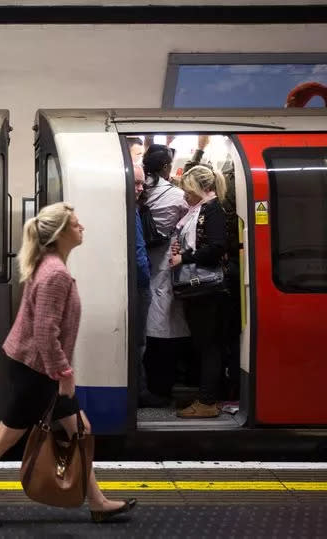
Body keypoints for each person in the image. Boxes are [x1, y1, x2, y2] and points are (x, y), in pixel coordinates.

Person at [0, 203, 136, 529]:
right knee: (5, 437)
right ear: (61, 234)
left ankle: (97, 501)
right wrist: (63, 374)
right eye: (77, 225)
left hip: (39, 368)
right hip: (36, 372)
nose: (83, 229)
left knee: (80, 429)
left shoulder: (50, 265)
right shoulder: (56, 274)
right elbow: (43, 333)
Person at [170, 165, 228, 418]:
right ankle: (207, 397)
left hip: (207, 288)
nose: (186, 196)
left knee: (208, 345)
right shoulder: (200, 209)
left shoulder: (212, 210)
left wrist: (185, 257)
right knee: (205, 343)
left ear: (203, 189)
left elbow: (217, 247)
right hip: (201, 288)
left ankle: (207, 401)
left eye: (189, 191)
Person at [141, 144, 190, 408]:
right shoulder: (176, 195)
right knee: (166, 327)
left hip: (143, 263)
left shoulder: (139, 192)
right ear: (165, 168)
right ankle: (162, 390)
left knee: (148, 329)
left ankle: (148, 385)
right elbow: (188, 217)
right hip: (165, 264)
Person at [133, 164, 158, 408]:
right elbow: (139, 252)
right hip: (137, 286)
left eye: (142, 184)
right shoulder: (132, 211)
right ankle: (139, 392)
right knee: (139, 342)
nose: (140, 189)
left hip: (137, 284)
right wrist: (145, 279)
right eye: (136, 183)